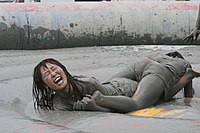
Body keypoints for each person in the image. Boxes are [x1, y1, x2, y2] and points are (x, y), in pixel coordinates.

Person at [32, 51, 200, 113]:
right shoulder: (56, 102)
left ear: (64, 70)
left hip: (151, 70)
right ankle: (187, 77)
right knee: (153, 98)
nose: (53, 73)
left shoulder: (86, 84)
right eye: (47, 74)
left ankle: (185, 76)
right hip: (132, 74)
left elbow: (117, 107)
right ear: (45, 84)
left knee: (137, 104)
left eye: (54, 69)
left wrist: (96, 105)